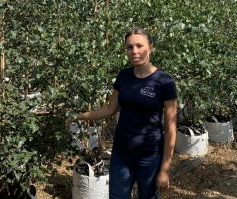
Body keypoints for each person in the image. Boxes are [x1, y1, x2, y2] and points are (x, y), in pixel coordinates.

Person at [76, 27, 178, 199]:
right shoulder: (123, 76)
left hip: (149, 156)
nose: (134, 51)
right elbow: (110, 109)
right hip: (121, 154)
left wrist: (164, 169)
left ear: (151, 48)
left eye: (140, 46)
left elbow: (171, 129)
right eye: (130, 47)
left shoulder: (164, 82)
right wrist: (78, 116)